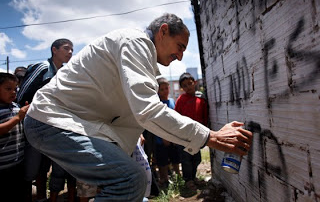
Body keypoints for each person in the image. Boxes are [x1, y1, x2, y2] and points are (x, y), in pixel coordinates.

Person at [23, 13, 252, 201]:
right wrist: (211, 137)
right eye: (179, 46)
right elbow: (149, 111)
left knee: (132, 188)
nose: (181, 56)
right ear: (163, 31)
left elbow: (134, 112)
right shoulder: (136, 42)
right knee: (129, 180)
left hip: (72, 124)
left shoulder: (146, 62)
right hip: (51, 120)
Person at [17, 38, 76, 202]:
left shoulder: (64, 72)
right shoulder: (43, 67)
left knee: (44, 167)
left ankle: (42, 198)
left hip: (51, 126)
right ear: (54, 50)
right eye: (66, 48)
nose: (70, 52)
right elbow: (22, 95)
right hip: (34, 125)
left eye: (72, 49)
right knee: (31, 169)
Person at [174, 72, 208, 190]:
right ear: (182, 88)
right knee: (186, 159)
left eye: (190, 83)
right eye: (185, 85)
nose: (188, 87)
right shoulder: (181, 100)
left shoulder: (201, 99)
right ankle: (188, 180)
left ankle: (193, 177)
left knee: (197, 158)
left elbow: (204, 116)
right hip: (184, 136)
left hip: (197, 135)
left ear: (195, 82)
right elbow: (176, 117)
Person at [0, 73, 29, 201]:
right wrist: (18, 117)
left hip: (17, 163)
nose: (13, 92)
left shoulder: (16, 107)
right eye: (8, 89)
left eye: (15, 89)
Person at [155, 77, 180, 188]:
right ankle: (164, 180)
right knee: (162, 161)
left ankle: (177, 177)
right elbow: (157, 123)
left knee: (175, 158)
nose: (165, 91)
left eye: (166, 88)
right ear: (157, 91)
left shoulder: (171, 101)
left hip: (173, 137)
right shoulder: (156, 104)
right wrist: (163, 137)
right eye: (162, 89)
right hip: (160, 139)